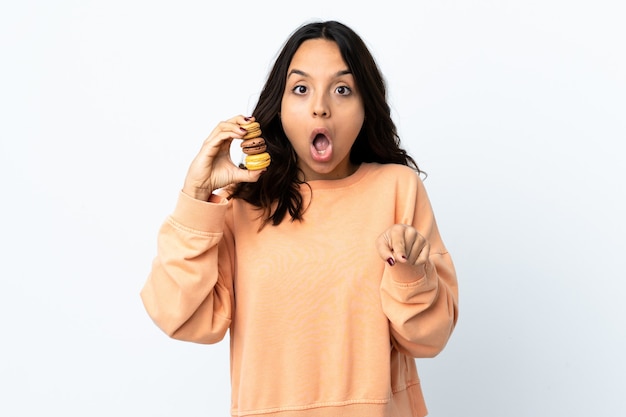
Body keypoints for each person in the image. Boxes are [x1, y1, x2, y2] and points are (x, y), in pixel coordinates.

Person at [141, 20, 458, 417]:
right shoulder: (244, 200)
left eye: (342, 89)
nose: (320, 106)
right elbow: (180, 317)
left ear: (366, 106)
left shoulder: (397, 189)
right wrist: (197, 195)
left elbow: (430, 338)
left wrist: (411, 273)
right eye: (301, 88)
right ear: (280, 105)